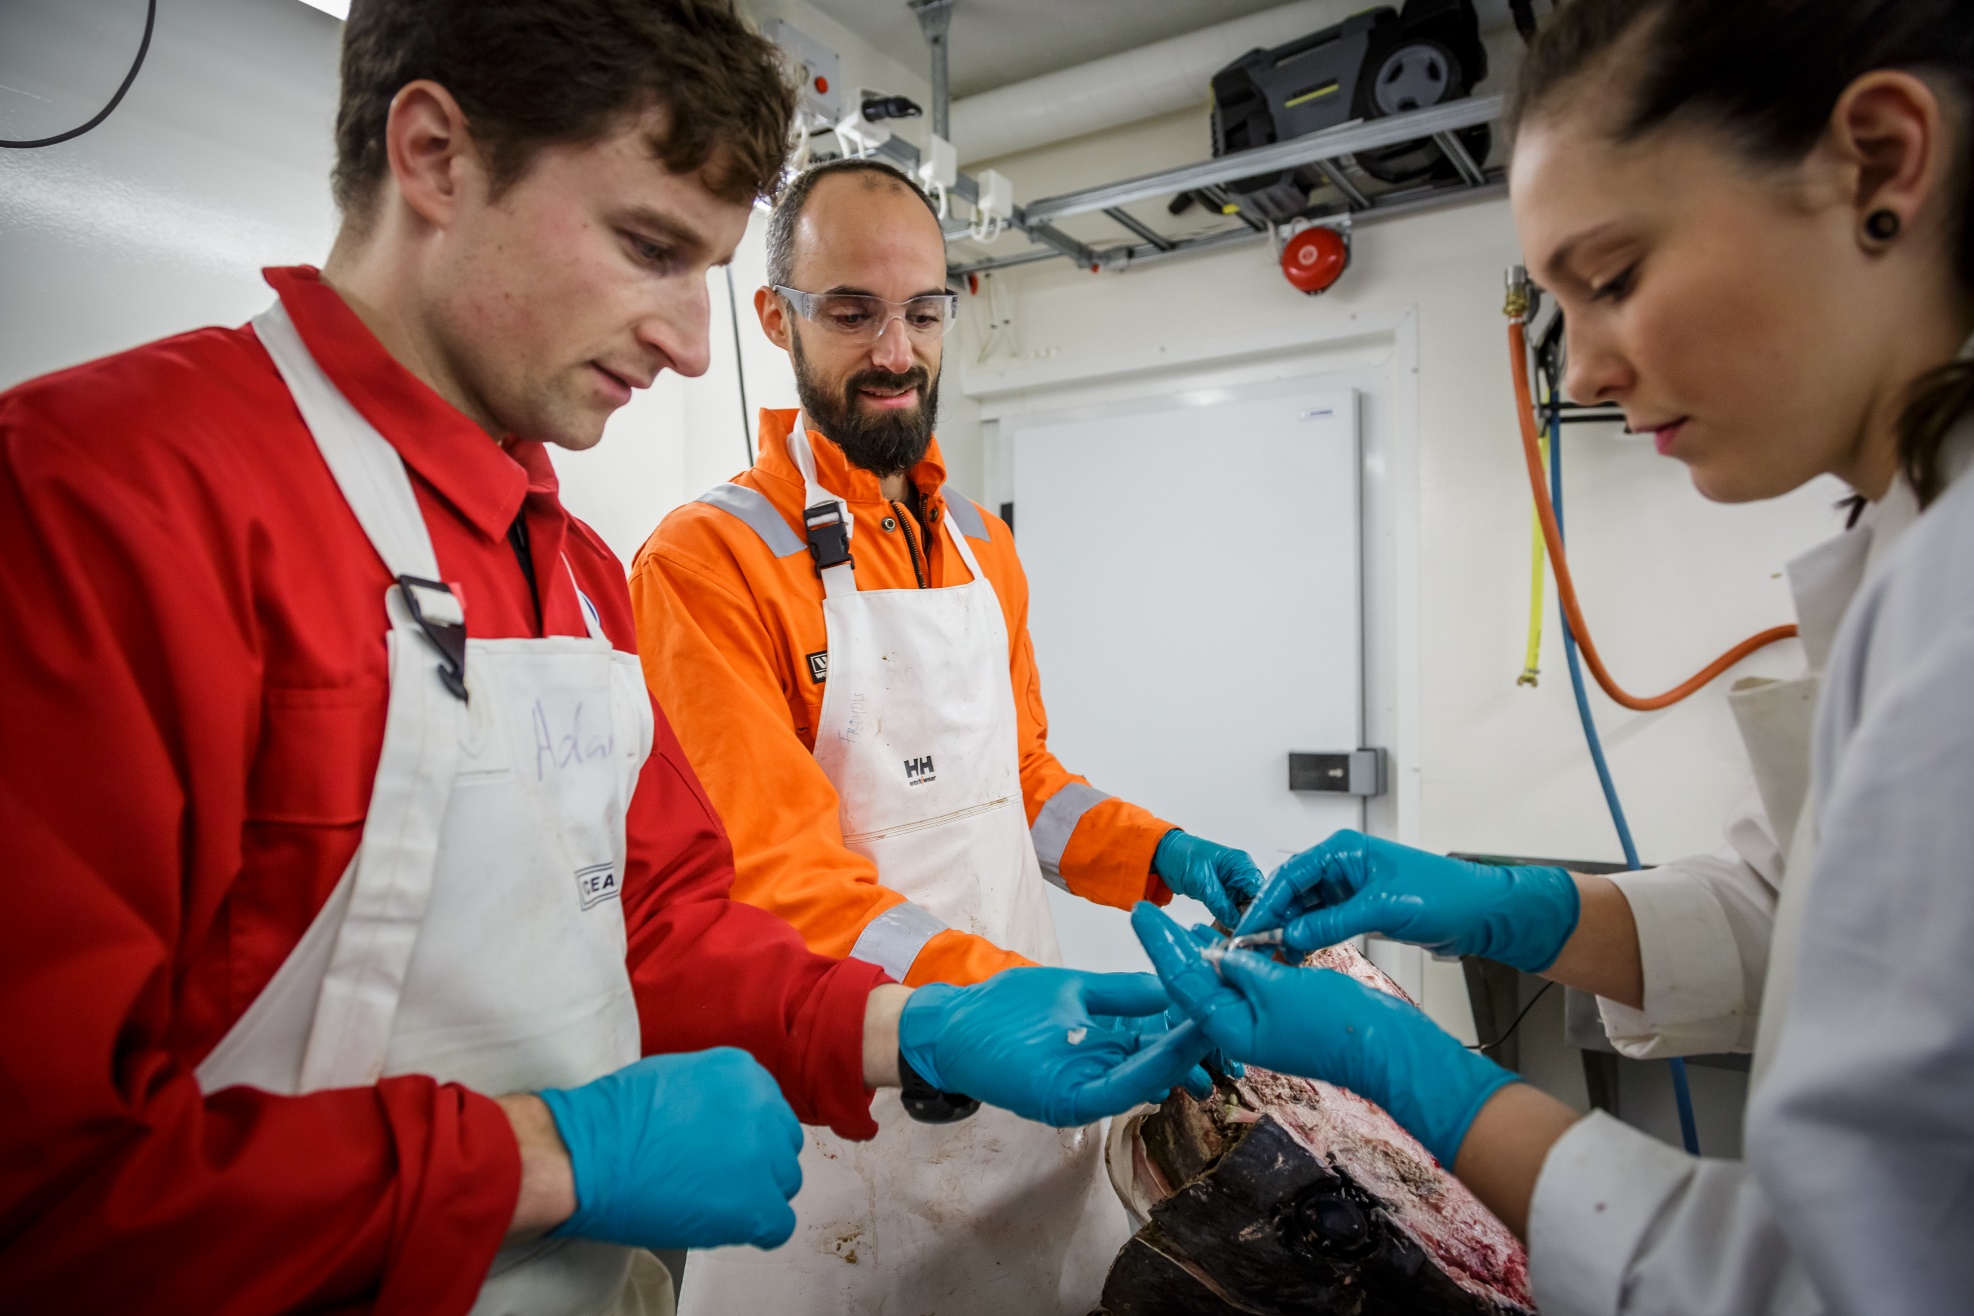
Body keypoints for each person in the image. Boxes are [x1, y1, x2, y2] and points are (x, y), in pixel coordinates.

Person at [0, 3, 1212, 1312]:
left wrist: (900, 1025)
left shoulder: (568, 574)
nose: (692, 342)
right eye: (648, 249)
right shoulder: (95, 505)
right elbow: (44, 1188)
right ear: (433, 156)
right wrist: (544, 1159)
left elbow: (664, 927)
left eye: (703, 272)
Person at [1139, 1, 1974, 1313]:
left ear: (1874, 160)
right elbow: (1791, 913)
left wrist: (1408, 1065)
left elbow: (1827, 1284)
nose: (1578, 369)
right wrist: (1512, 907)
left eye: (1616, 275)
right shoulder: (1906, 553)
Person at [627, 158, 1261, 1313]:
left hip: (1032, 1111)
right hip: (848, 1125)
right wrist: (993, 998)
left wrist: (1160, 853)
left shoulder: (977, 539)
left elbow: (1021, 781)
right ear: (777, 318)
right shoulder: (706, 562)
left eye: (923, 313)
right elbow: (773, 877)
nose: (895, 352)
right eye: (852, 312)